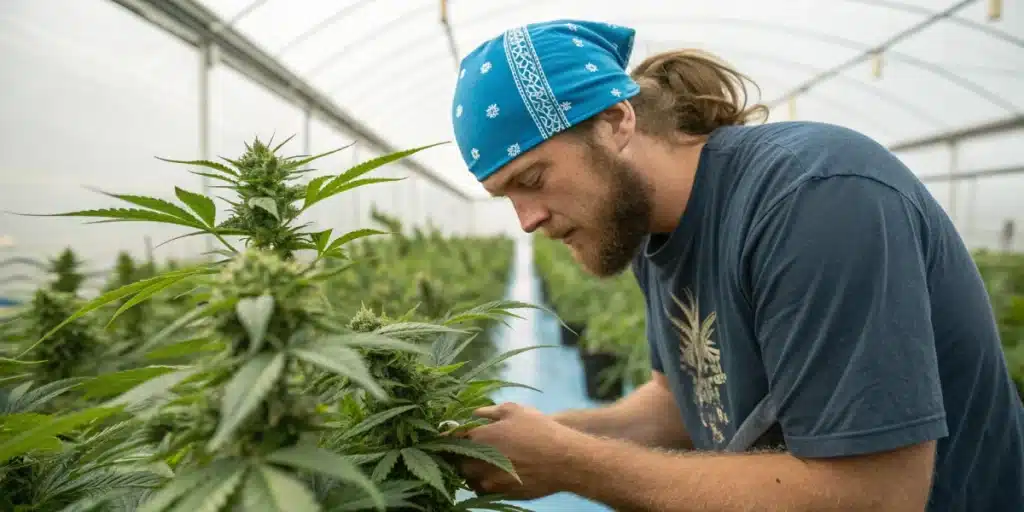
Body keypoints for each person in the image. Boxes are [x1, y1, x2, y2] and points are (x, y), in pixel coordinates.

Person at [448, 18, 1024, 511]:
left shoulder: (812, 200)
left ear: (616, 122)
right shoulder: (654, 233)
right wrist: (540, 437)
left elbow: (874, 496)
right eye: (507, 197)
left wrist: (573, 463)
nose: (527, 219)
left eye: (533, 179)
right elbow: (679, 403)